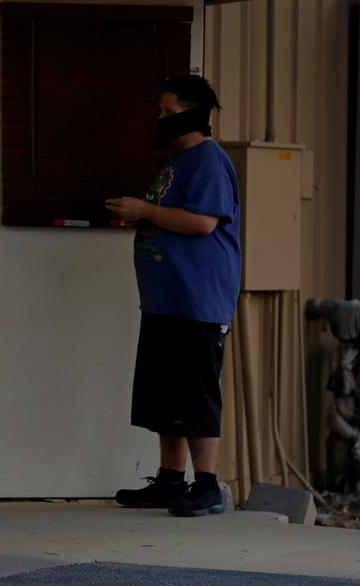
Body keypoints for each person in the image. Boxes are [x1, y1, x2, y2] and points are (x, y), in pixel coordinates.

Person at [105, 74, 241, 517]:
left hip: (196, 299)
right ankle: (170, 480)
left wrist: (144, 210)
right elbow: (171, 217)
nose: (159, 118)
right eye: (159, 111)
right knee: (164, 394)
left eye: (168, 111)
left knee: (196, 393)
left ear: (193, 114)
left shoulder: (208, 160)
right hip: (165, 299)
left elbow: (204, 222)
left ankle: (206, 485)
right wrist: (142, 218)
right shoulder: (175, 161)